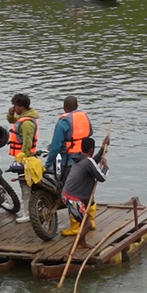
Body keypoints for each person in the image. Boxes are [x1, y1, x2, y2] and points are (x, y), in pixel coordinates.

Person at [44, 95, 95, 234]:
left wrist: (48, 163)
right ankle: (91, 220)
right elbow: (90, 132)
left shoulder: (63, 122)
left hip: (70, 161)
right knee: (87, 189)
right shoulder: (84, 117)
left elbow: (55, 147)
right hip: (86, 158)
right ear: (76, 106)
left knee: (71, 193)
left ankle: (75, 226)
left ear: (65, 107)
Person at [61, 136, 110, 249]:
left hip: (67, 195)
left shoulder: (80, 157)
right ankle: (71, 249)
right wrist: (105, 165)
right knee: (87, 225)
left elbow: (93, 162)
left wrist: (103, 148)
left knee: (84, 221)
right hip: (73, 199)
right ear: (91, 150)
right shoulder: (88, 162)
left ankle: (82, 243)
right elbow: (101, 178)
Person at [6, 93, 40, 223]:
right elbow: (12, 121)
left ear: (21, 107)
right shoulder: (23, 118)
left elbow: (27, 142)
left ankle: (27, 213)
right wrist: (10, 114)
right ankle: (27, 209)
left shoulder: (27, 123)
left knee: (25, 184)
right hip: (22, 157)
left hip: (25, 158)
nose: (14, 108)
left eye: (15, 105)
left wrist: (22, 158)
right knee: (23, 184)